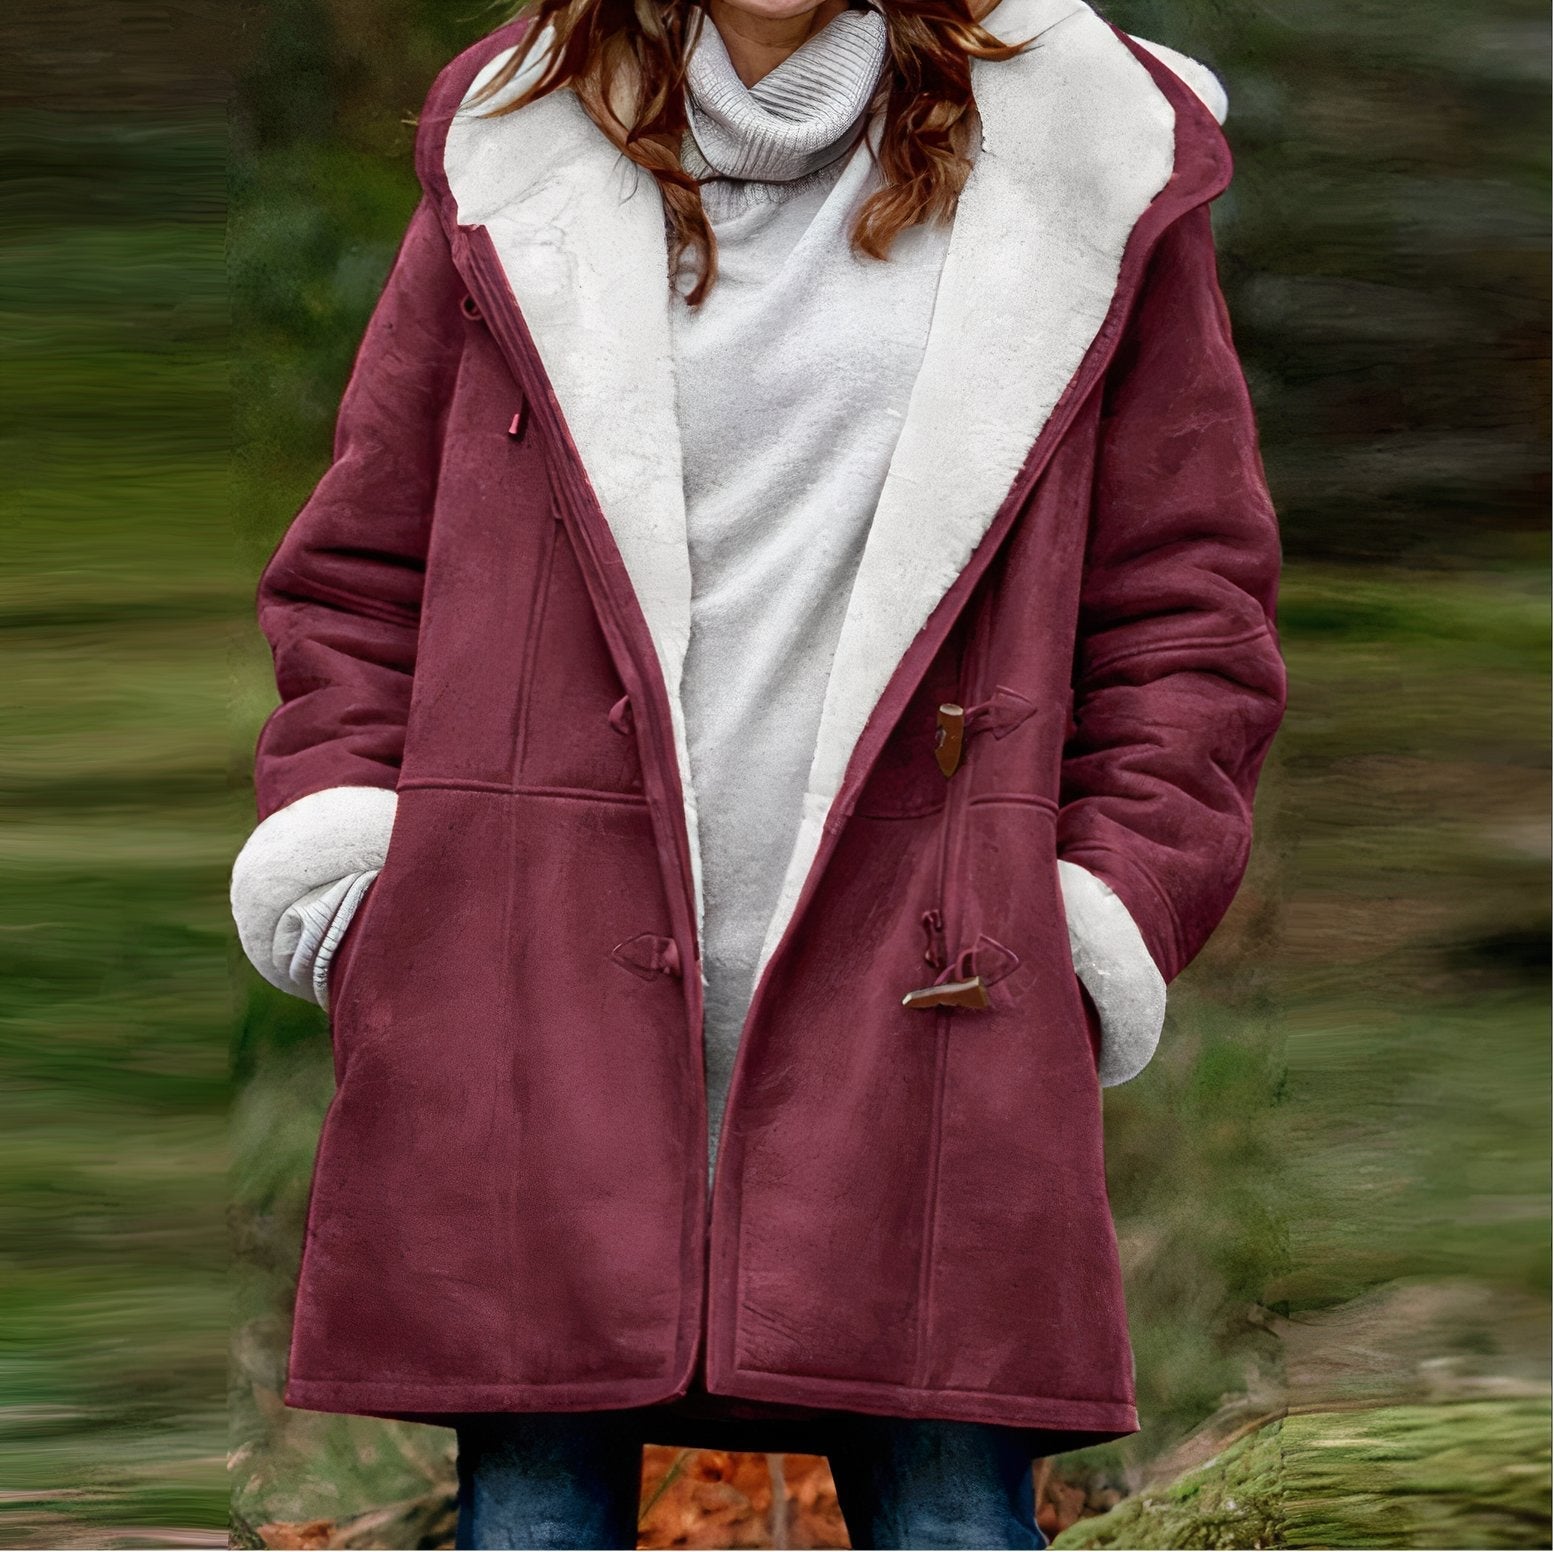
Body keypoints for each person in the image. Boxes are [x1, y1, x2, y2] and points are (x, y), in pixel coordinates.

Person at [231, 0, 1287, 1541]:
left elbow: (1187, 610)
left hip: (938, 994)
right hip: (524, 992)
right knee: (533, 1526)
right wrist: (355, 876)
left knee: (952, 1521)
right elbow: (358, 577)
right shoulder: (515, 140)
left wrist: (1092, 914)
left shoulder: (1088, 148)